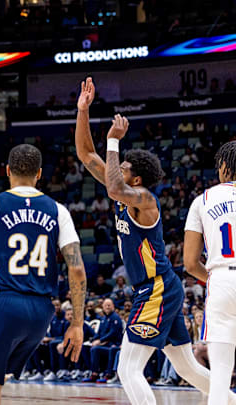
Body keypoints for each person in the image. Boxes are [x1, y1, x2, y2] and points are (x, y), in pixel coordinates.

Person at [75, 77, 233, 405]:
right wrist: (83, 111)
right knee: (187, 368)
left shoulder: (145, 200)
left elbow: (114, 186)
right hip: (158, 288)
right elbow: (86, 153)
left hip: (157, 287)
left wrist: (114, 142)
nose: (114, 171)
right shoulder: (123, 191)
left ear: (136, 178)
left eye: (122, 168)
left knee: (128, 368)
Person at [0, 144, 86, 405]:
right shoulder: (59, 211)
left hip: (5, 305)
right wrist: (77, 323)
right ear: (39, 174)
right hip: (42, 312)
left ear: (7, 170)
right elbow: (76, 269)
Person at [183, 140, 236, 405]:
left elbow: (190, 263)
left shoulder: (202, 200)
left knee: (220, 377)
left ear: (224, 167)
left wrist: (215, 279)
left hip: (221, 279)